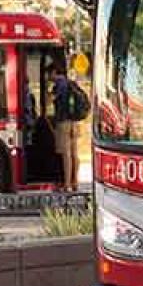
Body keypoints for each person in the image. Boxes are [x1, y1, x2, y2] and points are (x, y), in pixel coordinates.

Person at [50, 63, 81, 191]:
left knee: (65, 154)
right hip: (75, 123)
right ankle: (75, 182)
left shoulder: (59, 84)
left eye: (50, 73)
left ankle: (66, 183)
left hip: (63, 123)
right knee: (74, 153)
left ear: (54, 72)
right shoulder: (71, 83)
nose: (49, 76)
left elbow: (51, 99)